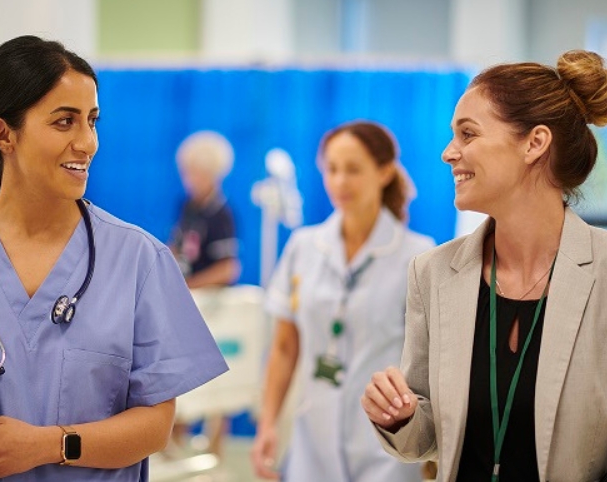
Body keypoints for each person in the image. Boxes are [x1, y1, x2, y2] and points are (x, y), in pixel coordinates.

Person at [0, 35, 227, 482]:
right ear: (3, 134)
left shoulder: (138, 259)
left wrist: (48, 445)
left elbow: (155, 426)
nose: (88, 142)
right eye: (64, 122)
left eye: (92, 121)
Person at [361, 50, 607, 482]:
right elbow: (430, 436)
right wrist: (399, 416)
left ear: (534, 143)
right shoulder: (433, 273)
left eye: (467, 134)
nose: (448, 153)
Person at [251, 120, 435, 481]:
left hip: (385, 444)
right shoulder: (304, 247)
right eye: (332, 169)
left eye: (353, 170)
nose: (339, 182)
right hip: (312, 438)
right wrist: (267, 423)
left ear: (384, 172)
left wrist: (431, 447)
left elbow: (430, 365)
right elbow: (285, 348)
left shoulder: (418, 256)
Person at [169, 130, 241, 290]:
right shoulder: (188, 206)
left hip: (208, 299)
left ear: (213, 175)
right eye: (186, 173)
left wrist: (190, 286)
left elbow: (227, 269)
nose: (189, 180)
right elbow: (177, 246)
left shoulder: (221, 215)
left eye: (196, 174)